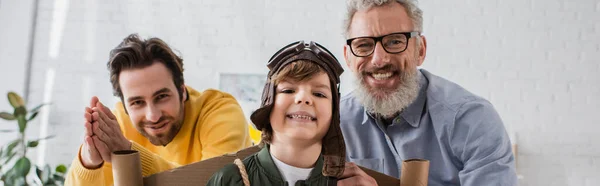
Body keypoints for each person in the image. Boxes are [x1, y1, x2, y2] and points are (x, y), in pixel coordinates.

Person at [339, 0, 518, 185]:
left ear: (420, 50)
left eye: (394, 41)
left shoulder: (472, 120)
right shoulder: (334, 121)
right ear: (348, 58)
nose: (379, 59)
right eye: (363, 45)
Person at [65, 34, 252, 186]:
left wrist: (128, 152)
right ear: (125, 105)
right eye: (137, 102)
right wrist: (89, 161)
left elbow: (213, 183)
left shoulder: (220, 111)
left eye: (162, 97)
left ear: (182, 91)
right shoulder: (119, 123)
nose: (152, 116)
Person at [207, 41, 371, 185]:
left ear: (334, 113)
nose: (304, 98)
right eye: (288, 90)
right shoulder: (229, 180)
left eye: (319, 94)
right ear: (268, 104)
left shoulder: (349, 183)